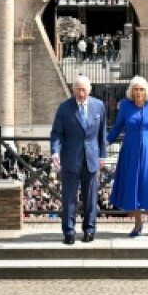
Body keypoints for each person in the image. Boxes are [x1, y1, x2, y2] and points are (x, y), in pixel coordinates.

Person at [106, 75, 148, 237]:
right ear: (131, 91)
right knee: (134, 185)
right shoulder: (125, 106)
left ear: (146, 91)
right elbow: (118, 127)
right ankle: (137, 224)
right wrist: (106, 141)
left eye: (141, 89)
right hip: (130, 150)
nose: (138, 92)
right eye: (135, 89)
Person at [50, 74, 106, 244]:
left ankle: (89, 229)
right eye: (78, 90)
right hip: (70, 158)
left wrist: (103, 155)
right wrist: (55, 152)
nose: (81, 93)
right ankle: (69, 231)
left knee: (90, 197)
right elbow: (57, 134)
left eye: (83, 90)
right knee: (69, 198)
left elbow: (102, 133)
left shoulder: (99, 106)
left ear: (89, 90)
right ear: (73, 90)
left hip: (91, 158)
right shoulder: (64, 108)